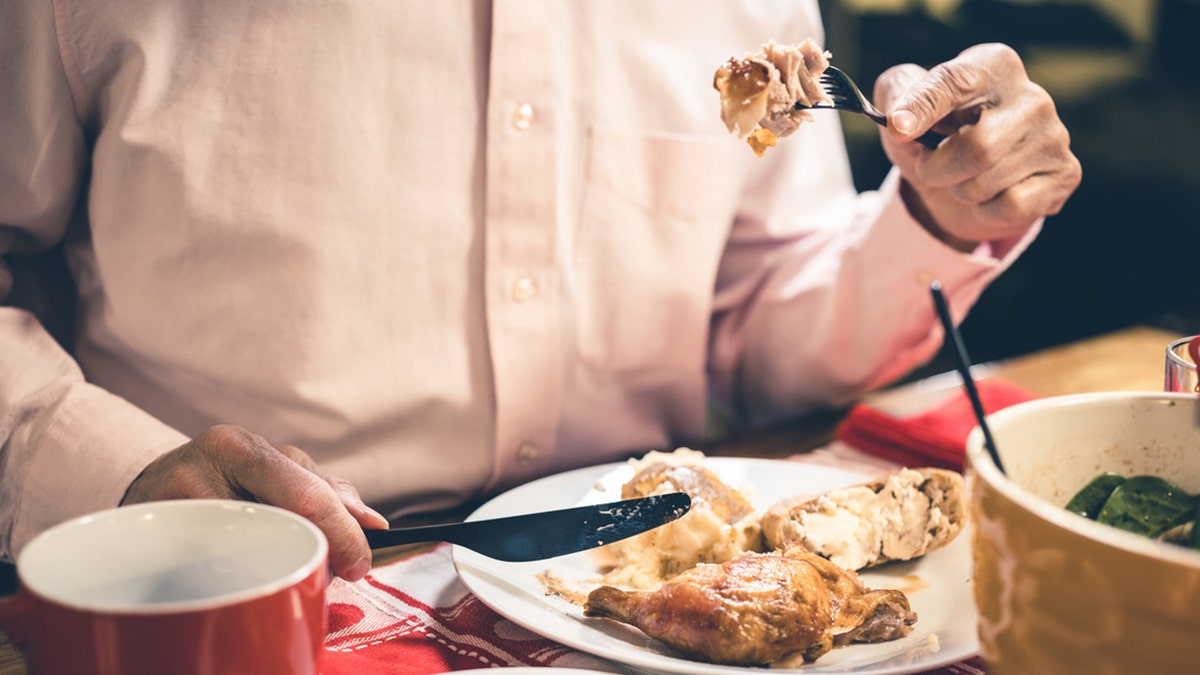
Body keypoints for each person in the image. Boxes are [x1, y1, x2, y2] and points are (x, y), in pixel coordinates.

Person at [0, 1, 1080, 581]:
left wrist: (937, 219)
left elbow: (753, 326)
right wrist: (111, 472)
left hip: (653, 583)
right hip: (234, 597)